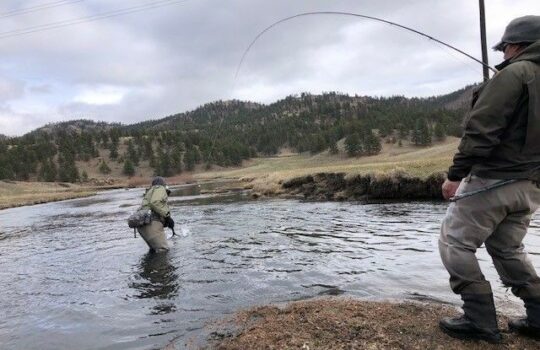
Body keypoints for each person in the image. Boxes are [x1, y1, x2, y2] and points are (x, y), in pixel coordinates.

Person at [438, 15, 540, 343]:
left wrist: (455, 175)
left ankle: (480, 320)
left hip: (494, 180)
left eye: (505, 48)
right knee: (508, 248)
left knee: (454, 242)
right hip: (531, 187)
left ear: (515, 45)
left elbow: (481, 131)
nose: (503, 54)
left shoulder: (515, 74)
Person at [138, 176, 174, 252]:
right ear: (163, 184)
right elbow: (155, 202)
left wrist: (166, 220)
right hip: (151, 224)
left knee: (154, 251)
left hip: (142, 226)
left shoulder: (150, 191)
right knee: (163, 252)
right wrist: (167, 216)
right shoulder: (159, 188)